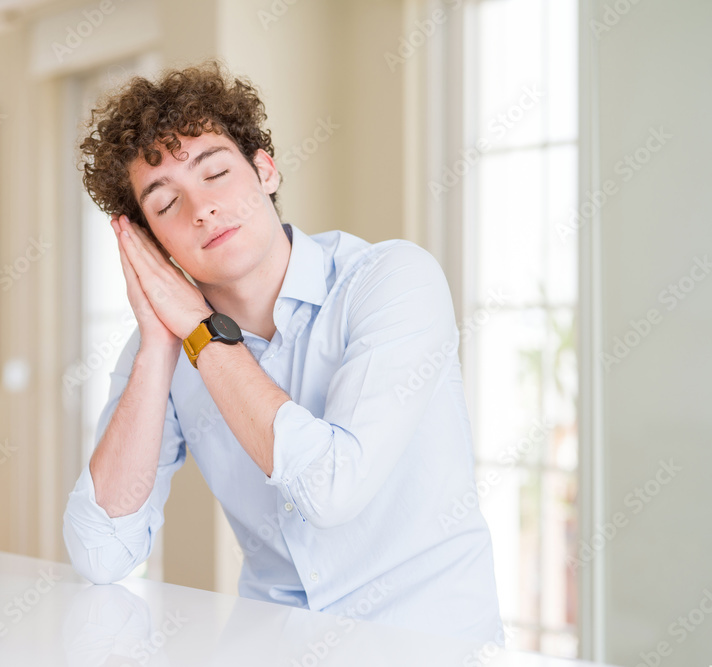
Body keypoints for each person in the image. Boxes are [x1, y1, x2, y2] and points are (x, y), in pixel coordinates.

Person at [62, 59, 503, 645]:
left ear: (265, 170)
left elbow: (331, 490)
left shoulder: (394, 280)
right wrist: (160, 346)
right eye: (165, 205)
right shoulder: (164, 347)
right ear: (150, 243)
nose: (201, 209)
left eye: (215, 173)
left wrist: (199, 329)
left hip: (428, 646)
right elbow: (100, 554)